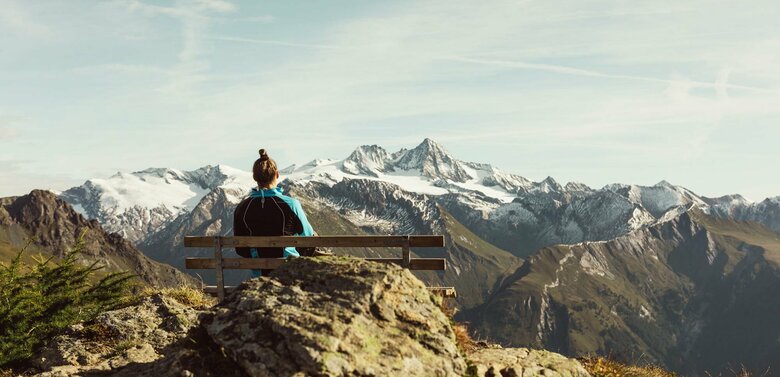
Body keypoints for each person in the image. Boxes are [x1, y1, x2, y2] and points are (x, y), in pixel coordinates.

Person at [233, 148, 316, 277]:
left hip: (259, 275)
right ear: (277, 174)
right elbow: (309, 239)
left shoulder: (242, 208)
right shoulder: (290, 204)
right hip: (289, 273)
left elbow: (240, 249)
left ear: (254, 177)